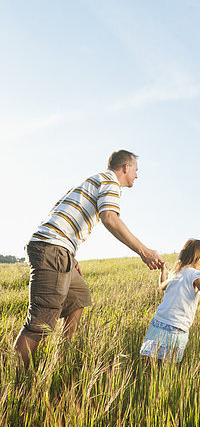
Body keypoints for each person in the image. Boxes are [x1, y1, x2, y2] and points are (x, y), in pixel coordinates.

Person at [14, 149, 164, 369]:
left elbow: (63, 214)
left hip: (58, 248)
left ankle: (65, 356)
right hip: (53, 249)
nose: (136, 176)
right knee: (40, 322)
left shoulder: (93, 182)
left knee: (79, 296)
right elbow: (109, 218)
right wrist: (144, 251)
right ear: (125, 168)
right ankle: (16, 378)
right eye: (135, 170)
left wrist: (71, 256)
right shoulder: (110, 183)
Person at [140, 238, 200, 363]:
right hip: (176, 327)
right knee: (167, 366)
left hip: (159, 322)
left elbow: (161, 286)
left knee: (152, 362)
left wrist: (163, 271)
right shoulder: (194, 275)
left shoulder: (176, 273)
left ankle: (149, 380)